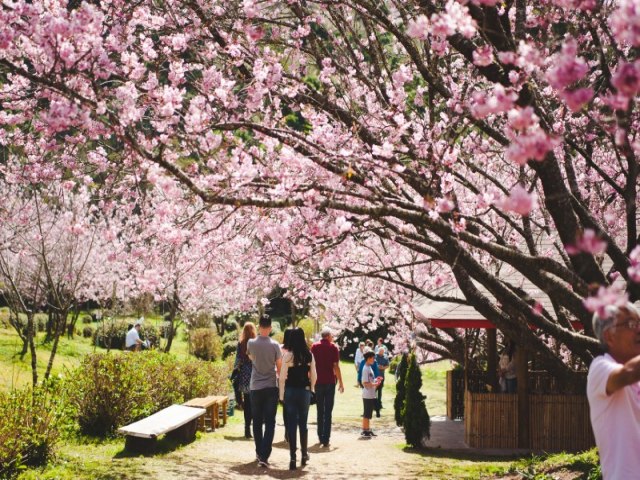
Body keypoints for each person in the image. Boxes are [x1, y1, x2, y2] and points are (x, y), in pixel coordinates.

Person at [587, 302, 640, 480]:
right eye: (632, 324)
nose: (639, 330)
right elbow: (629, 373)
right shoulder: (599, 369)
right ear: (609, 336)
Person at [247, 314, 282, 468]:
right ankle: (264, 454)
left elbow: (251, 358)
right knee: (270, 422)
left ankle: (258, 451)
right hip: (270, 386)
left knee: (256, 421)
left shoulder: (251, 343)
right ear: (270, 327)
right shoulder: (275, 345)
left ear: (259, 326)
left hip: (255, 386)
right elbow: (279, 367)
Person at [279, 328, 317, 470]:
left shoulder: (287, 356)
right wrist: (311, 389)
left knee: (292, 424)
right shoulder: (309, 355)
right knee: (303, 424)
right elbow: (314, 375)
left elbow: (282, 378)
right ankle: (304, 454)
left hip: (290, 392)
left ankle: (292, 458)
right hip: (304, 392)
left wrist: (282, 396)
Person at [310, 326, 344, 447]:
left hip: (318, 382)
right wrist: (341, 382)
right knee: (328, 411)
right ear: (328, 336)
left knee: (320, 409)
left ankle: (320, 435)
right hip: (330, 381)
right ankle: (326, 438)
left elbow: (311, 365)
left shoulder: (314, 346)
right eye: (332, 336)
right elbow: (336, 366)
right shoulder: (333, 347)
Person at [233, 321, 256, 439]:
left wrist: (234, 371)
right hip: (256, 375)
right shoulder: (256, 343)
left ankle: (247, 428)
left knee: (247, 403)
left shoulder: (241, 343)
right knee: (255, 402)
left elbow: (237, 361)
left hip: (245, 376)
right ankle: (255, 426)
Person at [360, 350, 380, 437]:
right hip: (367, 394)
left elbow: (370, 380)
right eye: (372, 358)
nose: (374, 360)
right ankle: (365, 430)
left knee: (368, 413)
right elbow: (365, 383)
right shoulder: (365, 369)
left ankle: (367, 429)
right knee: (366, 413)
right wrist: (375, 384)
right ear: (368, 359)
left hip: (371, 394)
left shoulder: (369, 367)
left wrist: (376, 380)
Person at [374, 346, 390, 417]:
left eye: (382, 352)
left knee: (380, 390)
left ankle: (379, 403)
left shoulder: (385, 357)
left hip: (382, 376)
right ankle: (374, 403)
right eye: (380, 352)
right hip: (375, 376)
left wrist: (383, 367)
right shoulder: (375, 356)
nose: (381, 354)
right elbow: (373, 363)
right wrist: (378, 366)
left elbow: (388, 365)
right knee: (374, 390)